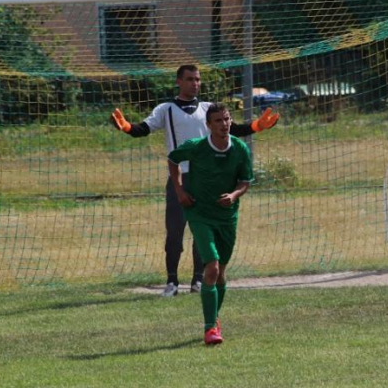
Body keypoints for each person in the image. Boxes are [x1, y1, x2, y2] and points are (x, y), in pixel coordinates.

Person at [111, 64, 278, 297]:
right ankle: (171, 282)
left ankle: (198, 280)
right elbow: (143, 129)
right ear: (178, 81)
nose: (195, 83)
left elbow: (233, 129)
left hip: (206, 180)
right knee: (175, 233)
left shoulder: (208, 109)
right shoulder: (166, 109)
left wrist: (257, 126)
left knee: (204, 232)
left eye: (197, 79)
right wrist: (127, 127)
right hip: (179, 177)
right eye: (190, 79)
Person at [167, 104, 252, 345]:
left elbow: (245, 182)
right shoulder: (197, 147)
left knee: (221, 273)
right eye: (217, 121)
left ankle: (214, 320)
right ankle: (209, 329)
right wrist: (179, 190)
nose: (223, 124)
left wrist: (234, 196)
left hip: (227, 217)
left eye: (226, 119)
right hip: (200, 213)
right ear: (209, 125)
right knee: (212, 268)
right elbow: (172, 160)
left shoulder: (240, 149)